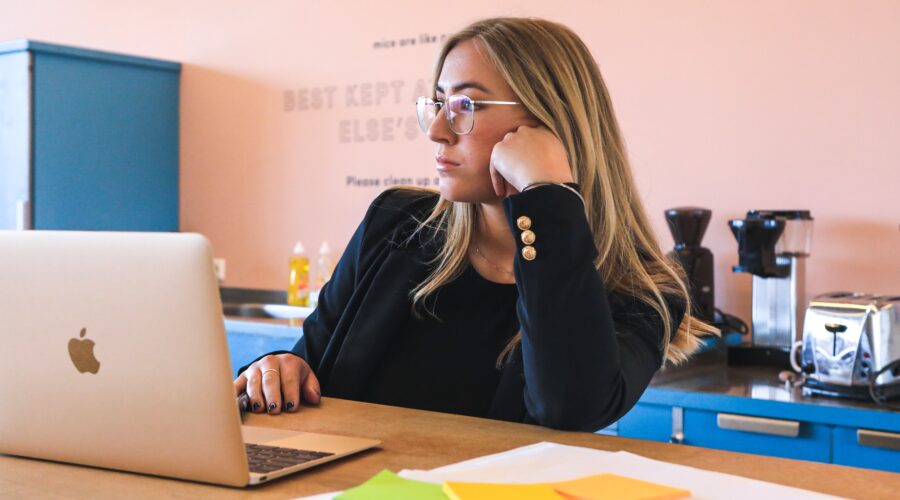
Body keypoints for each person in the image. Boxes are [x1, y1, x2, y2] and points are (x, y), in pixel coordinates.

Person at [234, 17, 716, 431]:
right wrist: (281, 368)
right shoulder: (396, 224)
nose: (439, 130)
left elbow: (571, 408)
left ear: (548, 123)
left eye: (466, 106)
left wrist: (547, 196)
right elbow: (309, 362)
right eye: (438, 103)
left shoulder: (641, 289)